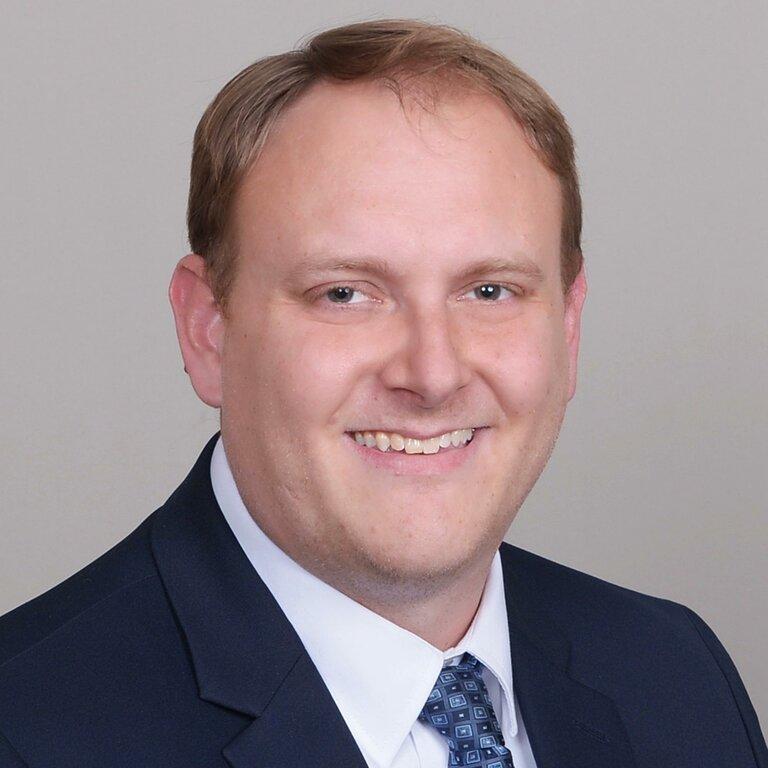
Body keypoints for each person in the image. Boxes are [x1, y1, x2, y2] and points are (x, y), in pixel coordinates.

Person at [0, 18, 764, 768]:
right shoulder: (26, 729)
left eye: (490, 290)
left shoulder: (675, 677)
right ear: (208, 330)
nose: (432, 375)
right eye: (345, 294)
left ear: (568, 327)